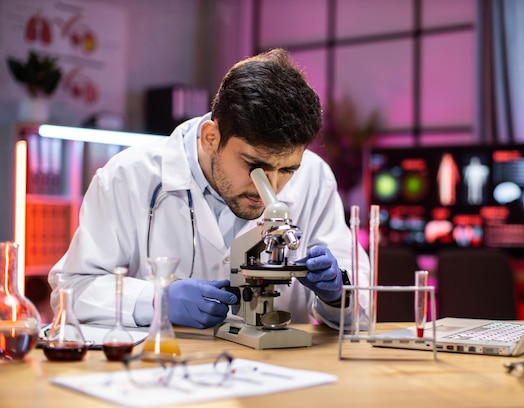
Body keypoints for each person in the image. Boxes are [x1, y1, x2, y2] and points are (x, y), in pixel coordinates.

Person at [48, 48, 371, 331]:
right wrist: (157, 299)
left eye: (287, 169)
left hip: (279, 379)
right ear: (210, 138)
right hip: (164, 377)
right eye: (254, 166)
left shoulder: (315, 177)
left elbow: (362, 308)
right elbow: (72, 290)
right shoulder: (126, 178)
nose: (271, 188)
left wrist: (338, 293)